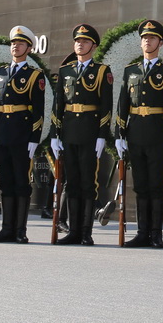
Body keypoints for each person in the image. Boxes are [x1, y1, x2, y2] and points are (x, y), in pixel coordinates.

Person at [115, 20, 163, 248]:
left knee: (156, 185)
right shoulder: (130, 71)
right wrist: (119, 133)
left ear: (160, 43)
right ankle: (142, 232)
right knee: (140, 184)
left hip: (157, 133)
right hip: (135, 133)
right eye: (144, 38)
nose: (147, 41)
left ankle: (156, 233)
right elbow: (123, 104)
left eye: (152, 38)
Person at [50, 24, 113, 245]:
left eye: (85, 41)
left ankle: (85, 232)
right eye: (77, 41)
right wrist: (54, 134)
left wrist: (101, 135)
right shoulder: (66, 71)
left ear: (93, 46)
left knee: (88, 183)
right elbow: (58, 105)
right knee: (73, 182)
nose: (80, 44)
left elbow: (106, 106)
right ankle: (73, 231)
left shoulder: (101, 71)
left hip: (89, 131)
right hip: (68, 132)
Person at [0, 25, 46, 243]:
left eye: (20, 43)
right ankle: (6, 228)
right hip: (1, 133)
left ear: (28, 48)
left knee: (21, 182)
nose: (15, 46)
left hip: (21, 134)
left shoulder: (34, 75)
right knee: (5, 183)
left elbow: (38, 110)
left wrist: (33, 138)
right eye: (13, 43)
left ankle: (20, 230)